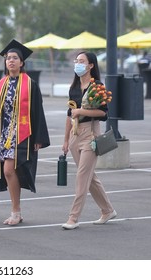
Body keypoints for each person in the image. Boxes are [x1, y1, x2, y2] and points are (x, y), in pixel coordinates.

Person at [0, 39, 50, 226]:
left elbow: (37, 111)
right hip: (3, 134)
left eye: (15, 58)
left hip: (22, 132)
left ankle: (16, 212)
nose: (11, 61)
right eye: (8, 58)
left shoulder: (30, 84)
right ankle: (16, 210)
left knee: (9, 169)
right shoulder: (0, 84)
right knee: (9, 172)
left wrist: (39, 137)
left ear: (22, 62)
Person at [61, 51, 116, 230]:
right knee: (89, 177)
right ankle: (108, 210)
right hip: (75, 136)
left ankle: (73, 217)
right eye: (76, 61)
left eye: (82, 61)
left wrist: (81, 112)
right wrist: (65, 140)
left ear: (91, 65)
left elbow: (103, 113)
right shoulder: (74, 87)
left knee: (82, 177)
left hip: (90, 135)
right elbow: (69, 114)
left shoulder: (97, 86)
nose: (78, 64)